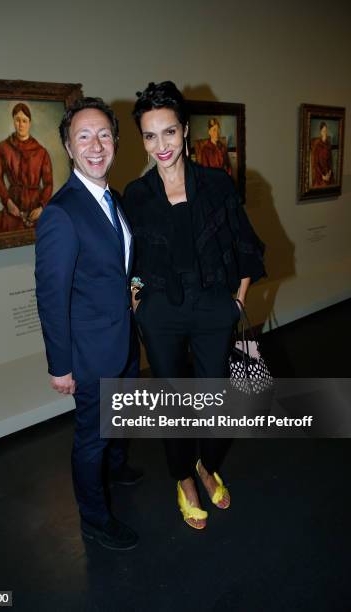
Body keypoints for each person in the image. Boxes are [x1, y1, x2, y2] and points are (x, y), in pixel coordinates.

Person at [123, 81, 265, 530]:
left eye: (168, 132)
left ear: (185, 130)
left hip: (212, 308)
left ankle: (207, 464)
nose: (160, 145)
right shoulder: (138, 194)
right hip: (161, 312)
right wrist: (139, 300)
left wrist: (236, 302)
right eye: (149, 136)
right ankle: (184, 478)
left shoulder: (217, 184)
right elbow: (131, 260)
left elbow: (246, 245)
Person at [35, 97, 141, 550]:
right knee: (90, 438)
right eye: (84, 136)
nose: (96, 145)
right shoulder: (62, 212)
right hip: (90, 352)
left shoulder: (112, 199)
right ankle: (95, 519)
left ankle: (116, 465)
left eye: (103, 135)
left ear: (115, 141)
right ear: (67, 145)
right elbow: (50, 296)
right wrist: (60, 366)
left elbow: (116, 263)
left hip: (123, 337)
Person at [0, 102, 53, 232]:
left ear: (29, 123)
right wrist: (8, 202)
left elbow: (48, 184)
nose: (21, 125)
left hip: (35, 209)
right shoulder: (3, 148)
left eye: (24, 121)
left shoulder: (41, 152)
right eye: (17, 120)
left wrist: (42, 208)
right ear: (13, 121)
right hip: (13, 206)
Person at [311, 121, 334, 187]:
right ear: (321, 132)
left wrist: (329, 173)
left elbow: (330, 160)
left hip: (328, 173)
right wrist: (322, 176)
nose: (325, 133)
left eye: (326, 131)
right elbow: (316, 163)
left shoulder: (328, 144)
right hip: (320, 175)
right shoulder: (317, 145)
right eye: (323, 131)